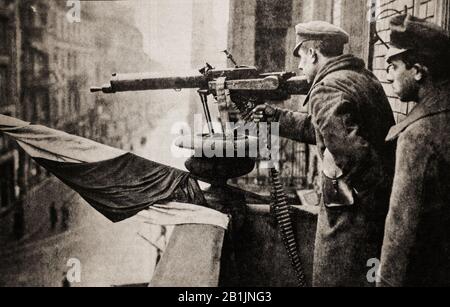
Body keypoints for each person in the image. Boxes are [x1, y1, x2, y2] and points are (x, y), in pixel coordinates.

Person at [252, 21, 395, 286]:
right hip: (376, 216)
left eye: (301, 57)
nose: (299, 66)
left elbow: (352, 153)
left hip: (349, 222)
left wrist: (359, 205)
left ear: (314, 53)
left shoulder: (326, 89)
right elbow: (329, 130)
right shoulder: (360, 78)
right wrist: (277, 118)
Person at [378, 14, 450, 287]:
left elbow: (401, 233)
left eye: (393, 66)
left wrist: (385, 282)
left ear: (418, 71)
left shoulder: (416, 136)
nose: (388, 75)